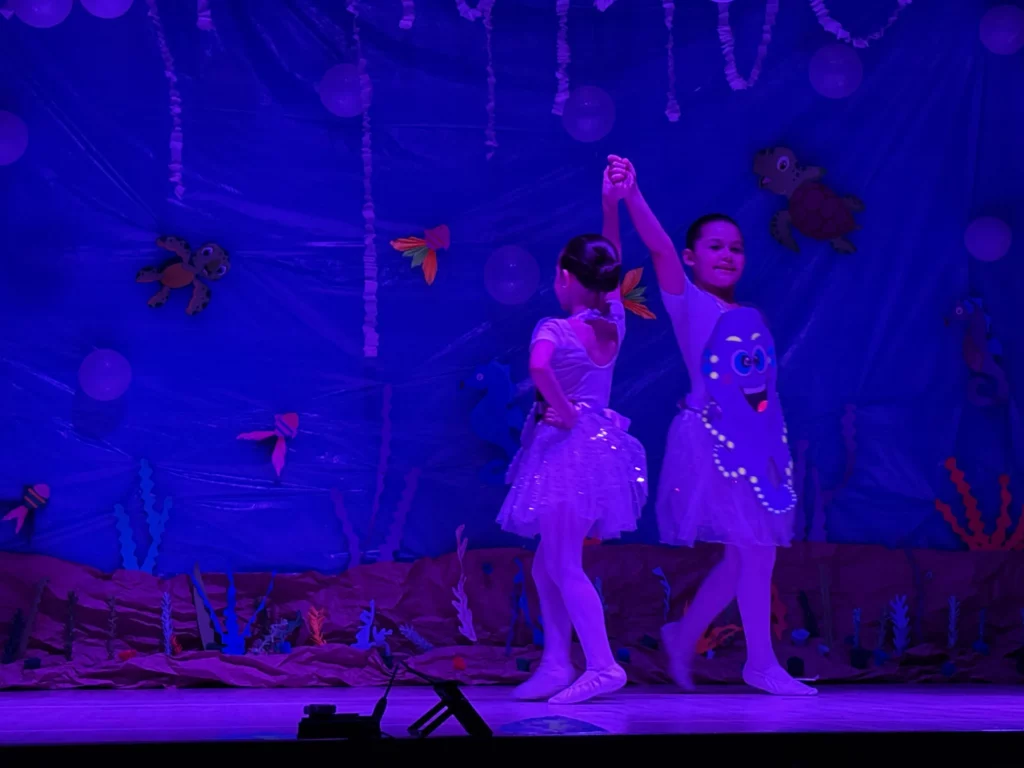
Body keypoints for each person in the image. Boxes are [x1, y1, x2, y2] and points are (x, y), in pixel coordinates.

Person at [607, 155, 815, 696]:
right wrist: (632, 194)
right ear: (691, 257)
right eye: (716, 246)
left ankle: (684, 636)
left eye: (736, 248)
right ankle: (760, 664)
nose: (727, 255)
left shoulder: (750, 317)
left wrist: (772, 448)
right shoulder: (690, 302)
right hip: (711, 442)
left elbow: (760, 389)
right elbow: (657, 248)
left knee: (749, 552)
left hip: (755, 445)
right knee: (754, 549)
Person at [497, 168, 648, 705]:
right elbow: (613, 262)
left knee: (562, 564)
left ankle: (602, 665)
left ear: (564, 276)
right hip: (599, 453)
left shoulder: (554, 328)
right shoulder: (613, 324)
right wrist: (612, 204)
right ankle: (557, 662)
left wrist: (561, 410)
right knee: (548, 564)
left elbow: (539, 368)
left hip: (566, 452)